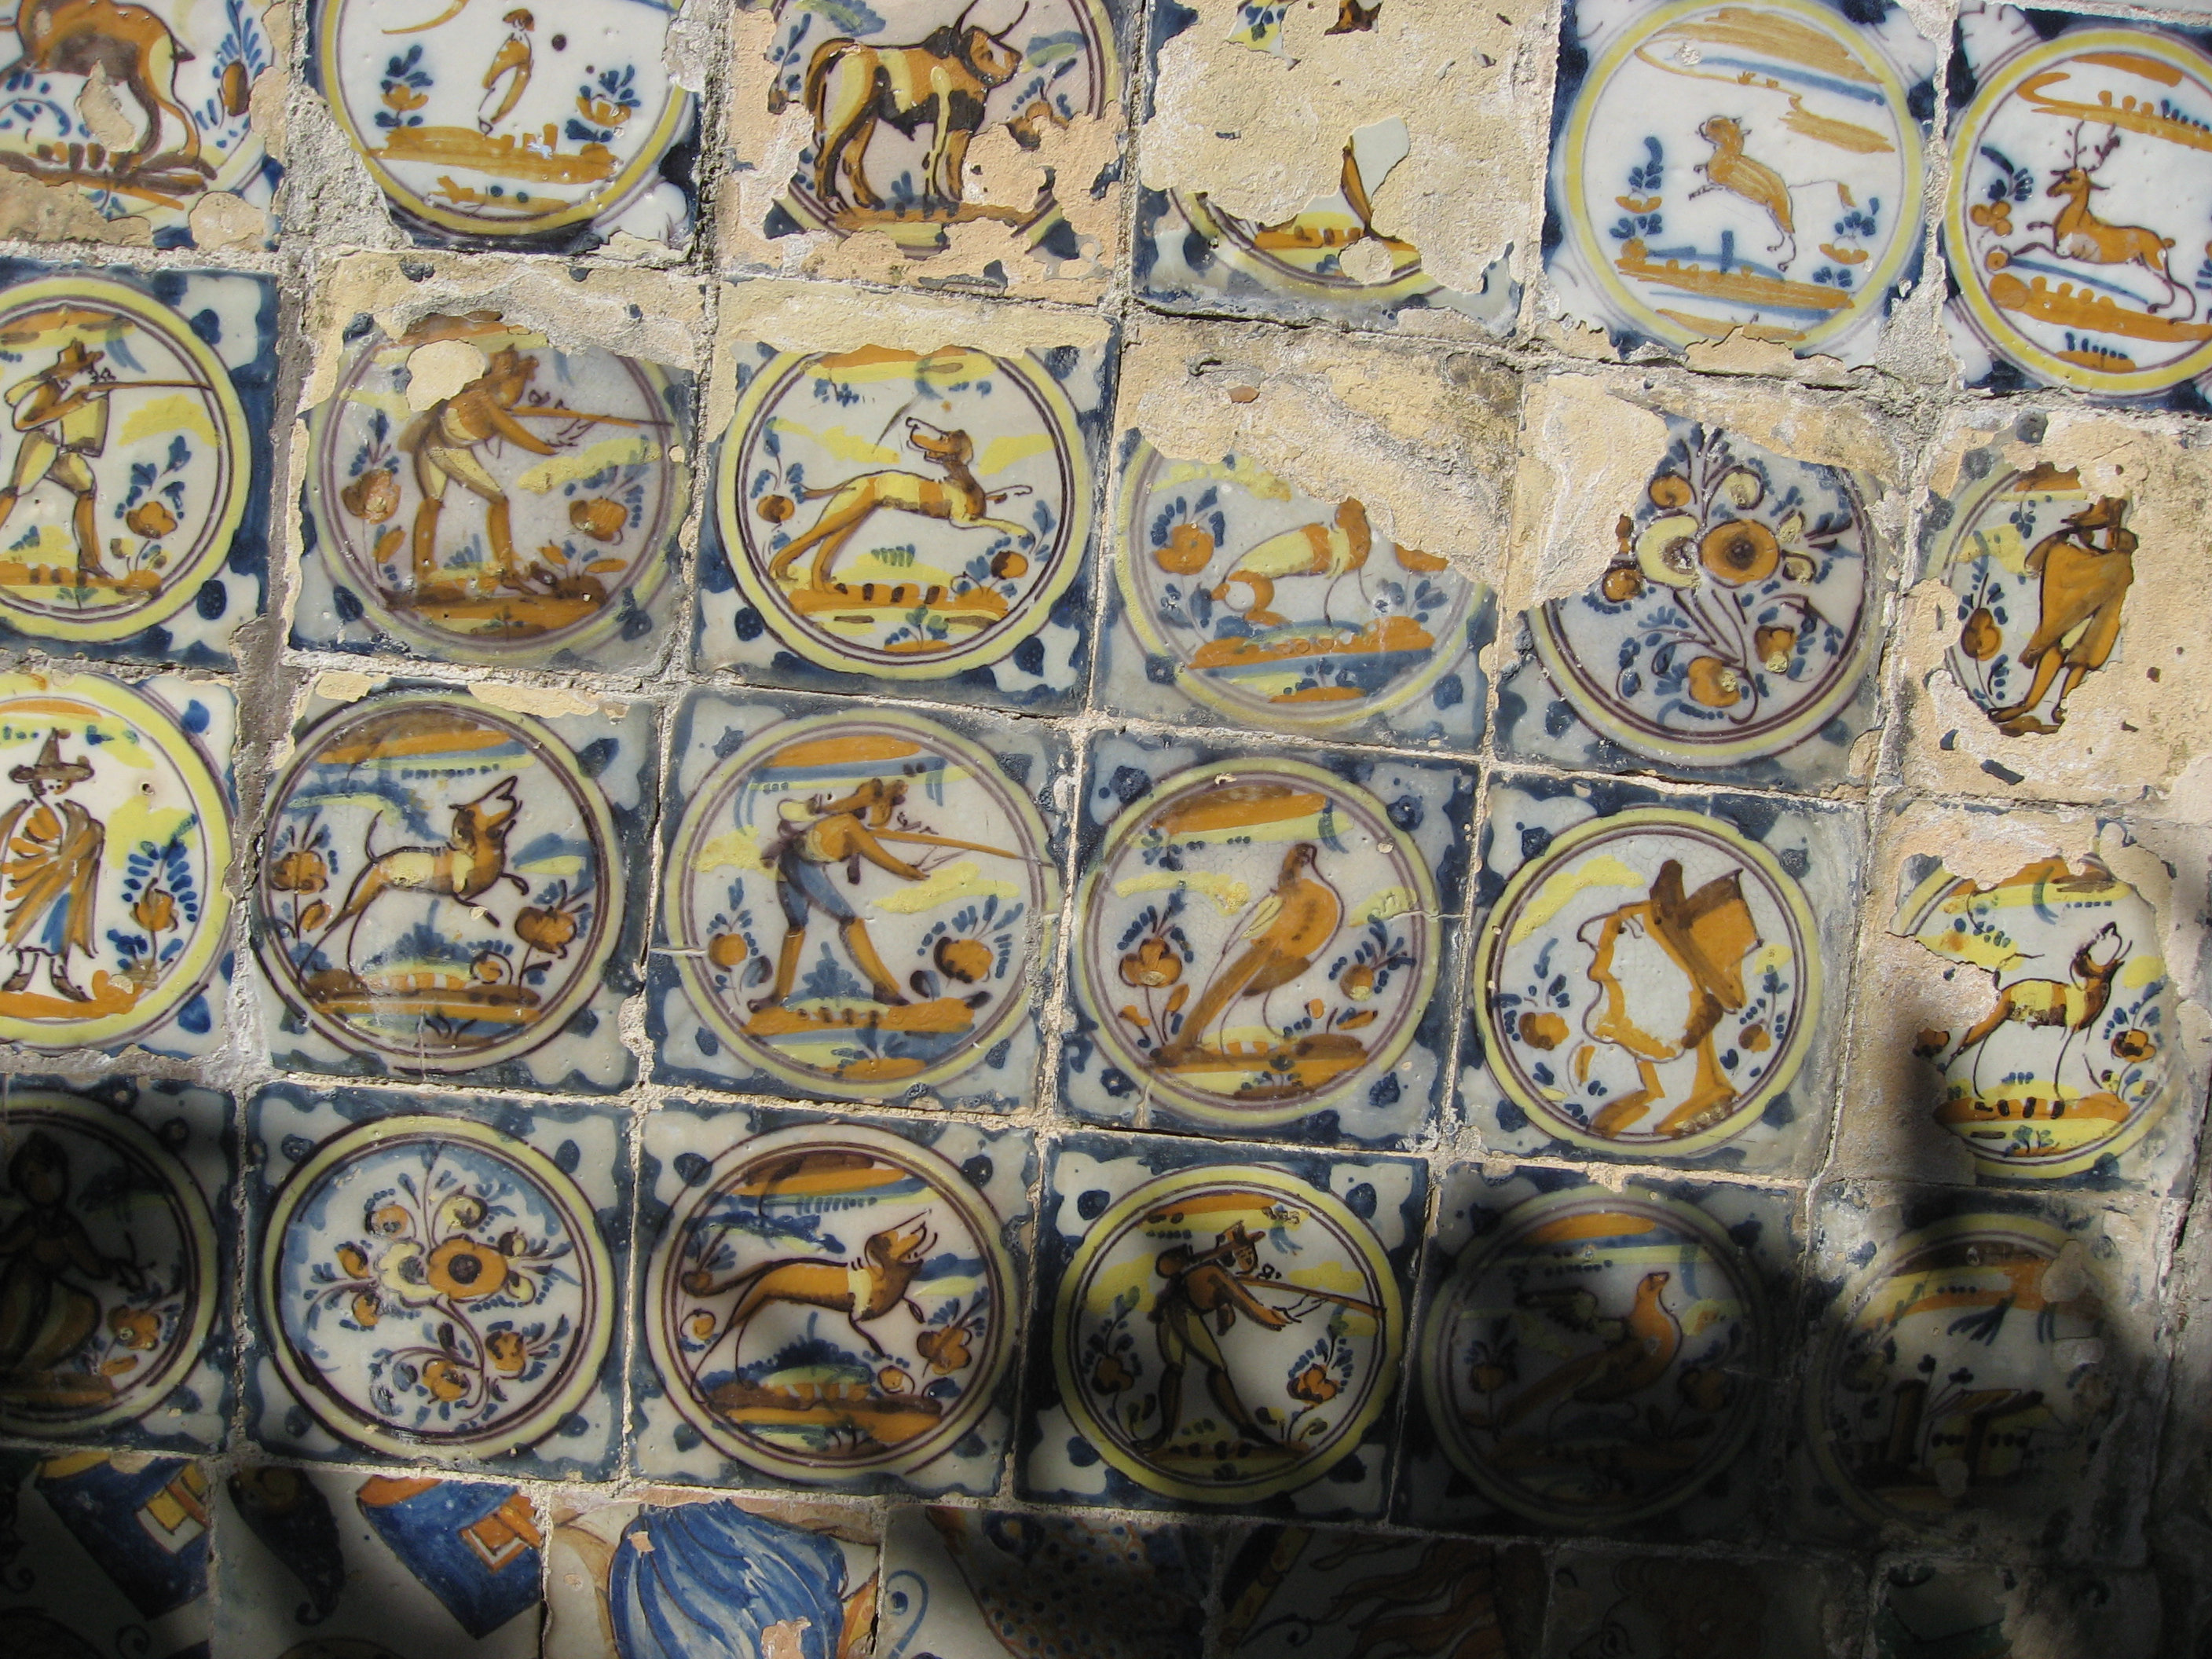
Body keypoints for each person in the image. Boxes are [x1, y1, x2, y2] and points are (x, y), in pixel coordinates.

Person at [749, 778, 939, 1013]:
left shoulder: (843, 821)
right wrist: (907, 872)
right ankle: (885, 988)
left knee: (796, 927)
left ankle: (779, 996)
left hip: (790, 864)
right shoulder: (848, 825)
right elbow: (879, 857)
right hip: (801, 867)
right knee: (850, 922)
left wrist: (889, 794)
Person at [398, 347, 562, 597]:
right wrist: (548, 449)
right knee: (494, 501)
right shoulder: (484, 401)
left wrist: (514, 374)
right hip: (440, 448)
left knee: (436, 503)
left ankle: (424, 578)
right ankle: (423, 577)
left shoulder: (485, 395)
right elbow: (522, 438)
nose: (512, 399)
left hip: (442, 445)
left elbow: (507, 411)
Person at [1134, 1221, 1293, 1454]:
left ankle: (1164, 1434)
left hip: (1172, 1312)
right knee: (1215, 1367)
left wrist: (1226, 1309)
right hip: (1178, 1313)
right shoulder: (1214, 1272)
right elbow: (1251, 1307)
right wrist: (1275, 1319)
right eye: (1243, 1253)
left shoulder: (1210, 1270)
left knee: (1176, 1367)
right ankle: (1245, 1426)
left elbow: (1232, 1306)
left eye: (1247, 1254)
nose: (1247, 1258)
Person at [0, 340, 118, 581]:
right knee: (15, 491)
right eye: (83, 364)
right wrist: (74, 403)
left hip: (63, 449)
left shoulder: (76, 384)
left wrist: (97, 394)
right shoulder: (51, 386)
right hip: (43, 443)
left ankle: (89, 560)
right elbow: (24, 421)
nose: (88, 368)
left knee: (86, 489)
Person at [0, 732, 103, 1002]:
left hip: (66, 887)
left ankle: (59, 975)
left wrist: (84, 847)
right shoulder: (28, 812)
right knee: (27, 929)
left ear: (66, 784)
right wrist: (48, 864)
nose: (50, 788)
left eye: (56, 783)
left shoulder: (78, 815)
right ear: (36, 786)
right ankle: (22, 973)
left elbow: (87, 846)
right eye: (44, 784)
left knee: (59, 931)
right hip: (33, 883)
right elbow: (18, 848)